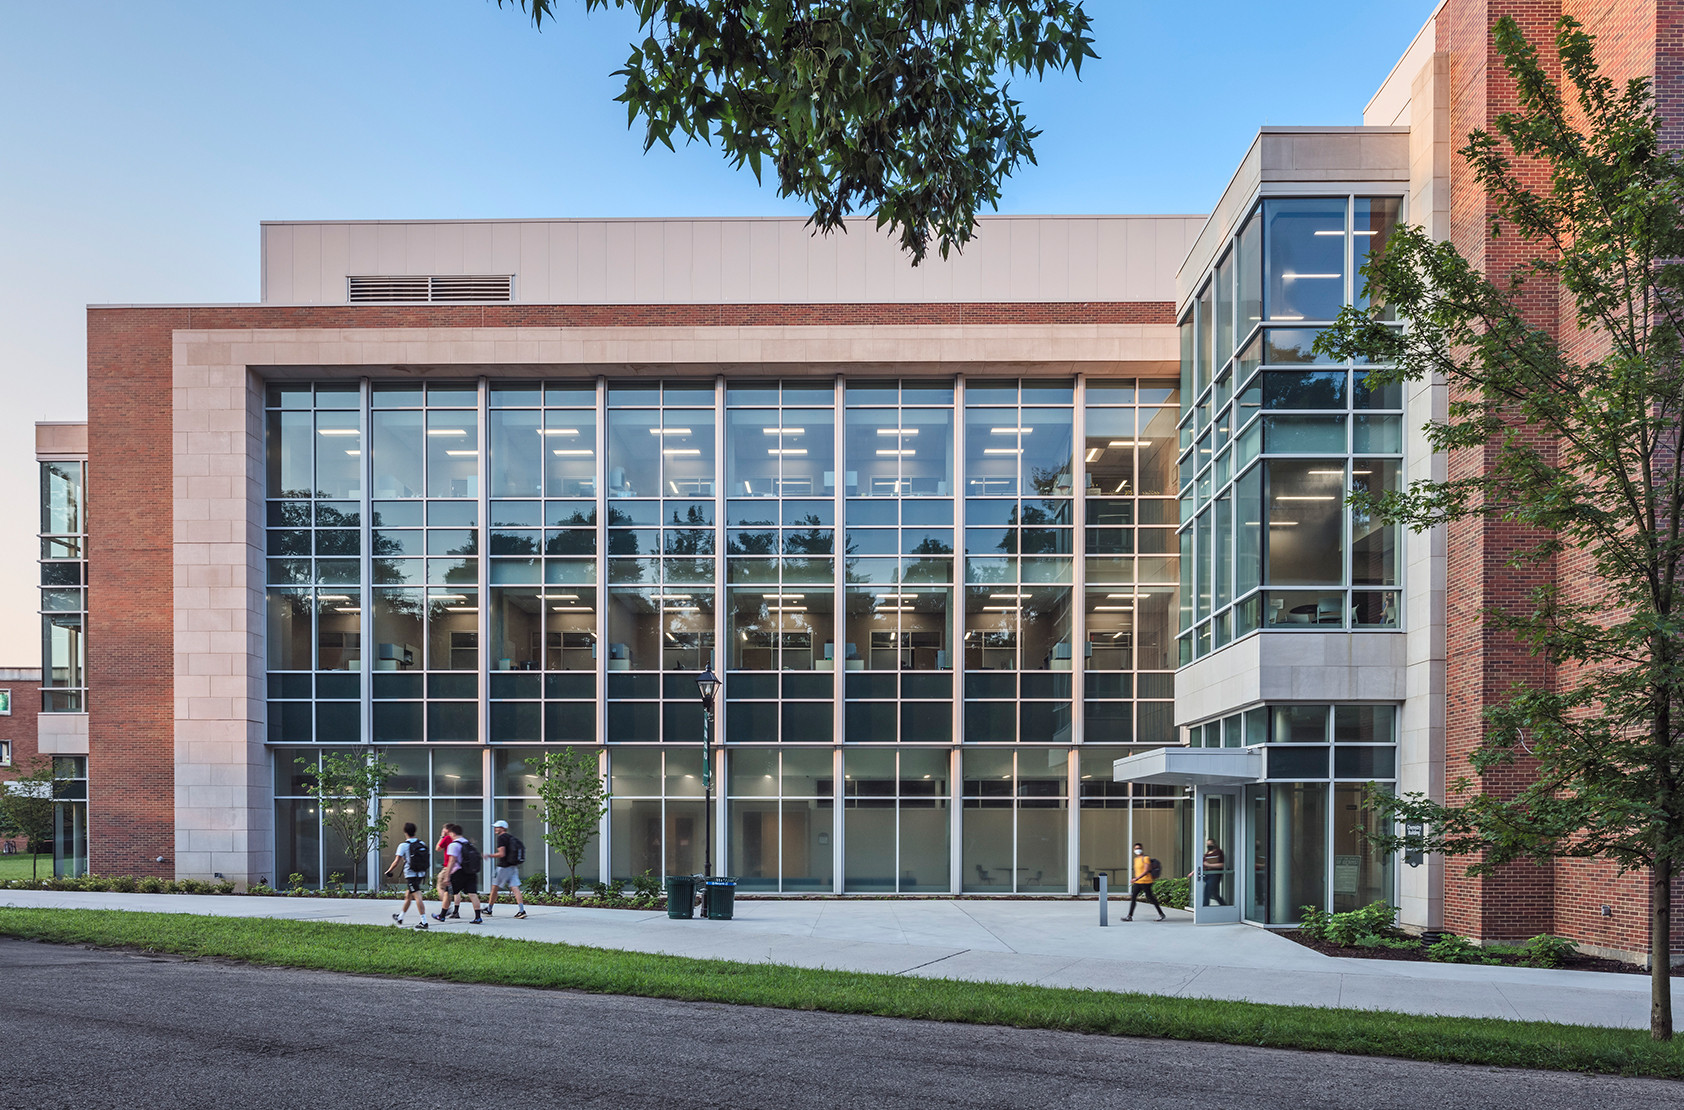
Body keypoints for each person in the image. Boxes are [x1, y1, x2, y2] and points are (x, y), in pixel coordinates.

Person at [432, 822, 483, 924]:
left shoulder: (454, 845)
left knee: (448, 893)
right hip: (470, 873)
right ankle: (478, 917)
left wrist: (447, 876)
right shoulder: (468, 843)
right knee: (473, 894)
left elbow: (452, 861)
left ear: (453, 833)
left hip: (458, 873)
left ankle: (442, 916)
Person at [383, 821, 430, 929]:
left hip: (411, 874)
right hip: (421, 873)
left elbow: (396, 861)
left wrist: (388, 871)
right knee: (408, 896)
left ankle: (424, 921)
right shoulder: (422, 843)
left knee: (417, 896)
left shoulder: (403, 845)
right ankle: (400, 917)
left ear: (405, 832)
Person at [483, 819, 527, 919]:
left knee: (494, 887)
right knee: (515, 888)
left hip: (503, 867)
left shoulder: (501, 838)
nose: (495, 828)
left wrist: (489, 855)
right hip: (513, 866)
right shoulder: (511, 837)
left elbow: (501, 854)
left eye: (497, 827)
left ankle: (489, 909)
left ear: (502, 828)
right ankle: (521, 910)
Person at [1125, 841, 1165, 921]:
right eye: (1136, 848)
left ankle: (1161, 914)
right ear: (1133, 849)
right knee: (1133, 898)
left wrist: (1136, 878)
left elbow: (1146, 870)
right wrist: (1136, 879)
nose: (1138, 850)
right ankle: (1129, 916)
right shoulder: (1136, 859)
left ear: (1142, 849)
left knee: (1150, 897)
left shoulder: (1145, 858)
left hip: (1146, 881)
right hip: (1138, 882)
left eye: (1139, 848)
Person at [434, 823, 459, 919]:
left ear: (447, 830)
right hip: (457, 867)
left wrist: (442, 836)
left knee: (441, 887)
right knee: (456, 890)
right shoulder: (457, 838)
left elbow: (438, 848)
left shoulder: (447, 838)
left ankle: (446, 907)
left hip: (448, 866)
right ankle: (456, 911)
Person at [1201, 838, 1227, 907]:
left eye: (1210, 844)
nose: (1209, 846)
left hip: (1215, 874)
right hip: (1207, 874)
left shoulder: (1218, 852)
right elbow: (1202, 864)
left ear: (1214, 844)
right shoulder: (1206, 854)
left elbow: (1222, 864)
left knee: (1207, 890)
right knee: (1214, 892)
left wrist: (1209, 865)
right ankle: (1224, 905)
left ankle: (1205, 907)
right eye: (1207, 844)